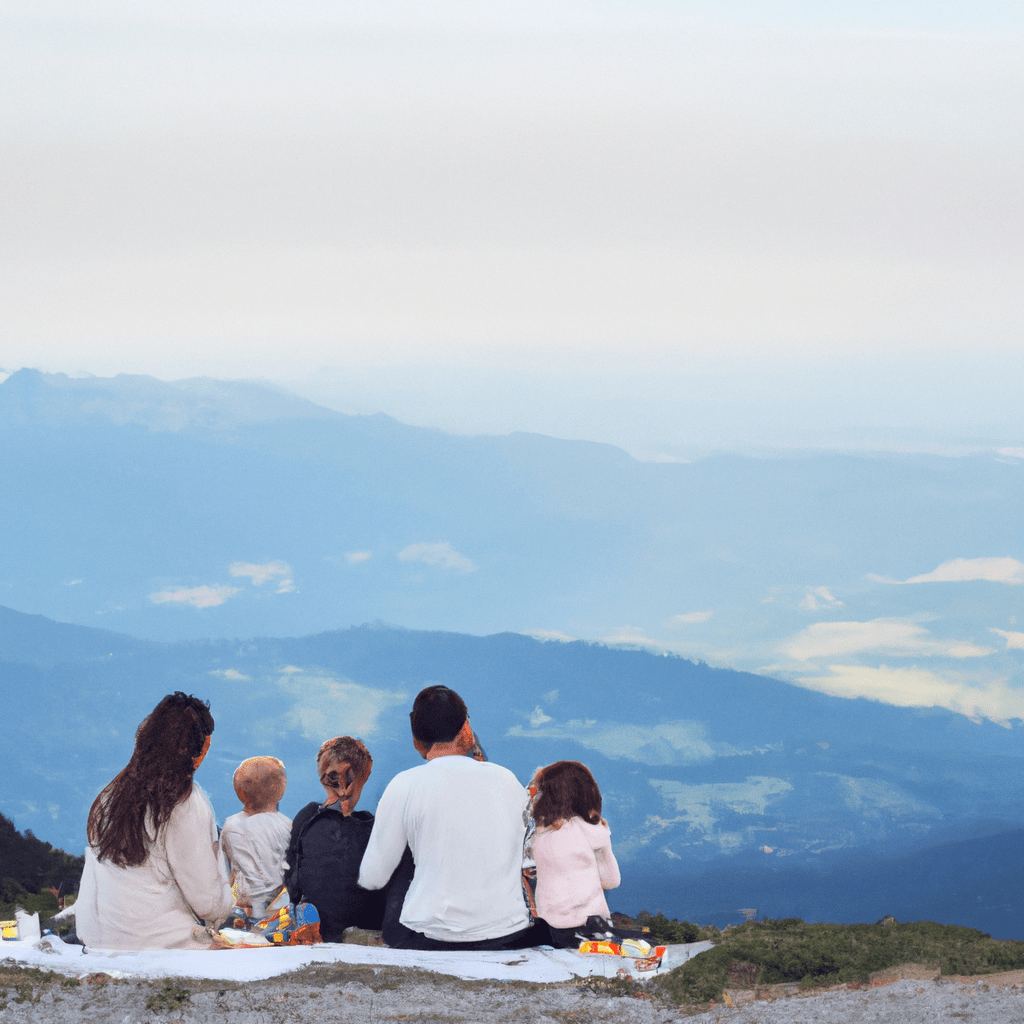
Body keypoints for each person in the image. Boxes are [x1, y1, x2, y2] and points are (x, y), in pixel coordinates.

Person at [358, 685, 539, 950]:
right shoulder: (507, 779)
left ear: (416, 740)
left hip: (431, 937)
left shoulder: (404, 784)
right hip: (508, 933)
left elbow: (373, 877)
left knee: (409, 842)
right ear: (466, 728)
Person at [76, 692, 233, 950]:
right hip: (170, 946)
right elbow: (208, 904)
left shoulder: (108, 798)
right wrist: (230, 890)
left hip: (106, 945)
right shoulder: (184, 803)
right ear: (197, 749)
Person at [284, 736, 386, 941]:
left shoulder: (306, 818)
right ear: (362, 773)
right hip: (368, 925)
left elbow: (292, 882)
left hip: (320, 926)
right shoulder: (375, 827)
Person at [529, 760, 622, 948]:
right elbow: (612, 880)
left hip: (549, 928)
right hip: (589, 928)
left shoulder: (538, 836)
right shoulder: (592, 830)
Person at [220, 756, 292, 921]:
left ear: (239, 790)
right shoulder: (287, 825)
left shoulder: (231, 825)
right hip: (279, 907)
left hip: (243, 907)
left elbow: (226, 869)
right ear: (281, 790)